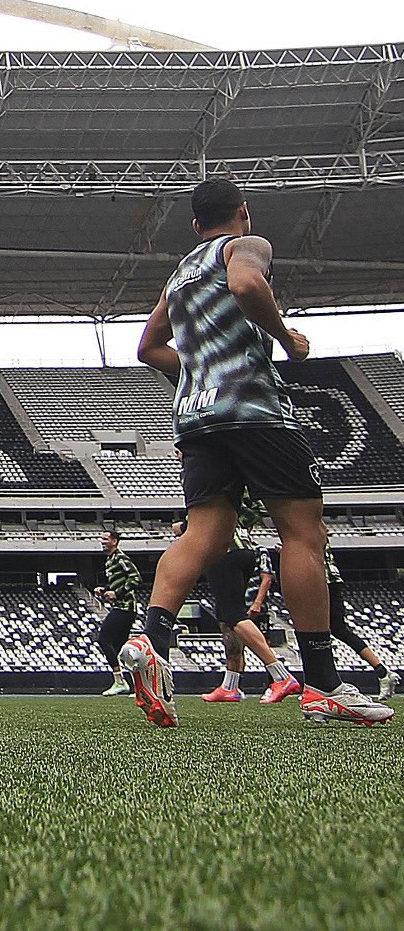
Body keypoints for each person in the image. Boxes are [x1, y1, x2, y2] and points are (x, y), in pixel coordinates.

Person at [125, 177, 391, 727]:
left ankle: (150, 636)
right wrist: (287, 338)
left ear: (195, 224)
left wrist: (199, 370)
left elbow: (148, 347)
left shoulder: (178, 276)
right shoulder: (245, 246)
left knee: (204, 534)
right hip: (254, 412)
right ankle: (322, 683)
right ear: (242, 211)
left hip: (195, 419)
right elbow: (247, 287)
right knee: (303, 533)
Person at [189, 494, 301, 703]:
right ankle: (230, 686)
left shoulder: (205, 474)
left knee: (233, 616)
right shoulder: (235, 488)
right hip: (245, 550)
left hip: (224, 551)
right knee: (226, 619)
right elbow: (258, 506)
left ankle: (281, 675)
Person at [319, 538, 399, 700]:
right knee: (336, 630)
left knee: (322, 630)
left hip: (322, 579)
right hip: (327, 579)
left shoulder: (308, 526)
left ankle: (325, 685)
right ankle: (382, 672)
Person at [93, 530, 140, 697]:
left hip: (125, 607)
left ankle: (120, 681)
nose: (102, 541)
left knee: (104, 640)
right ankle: (139, 687)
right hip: (120, 607)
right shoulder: (110, 560)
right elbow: (118, 581)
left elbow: (136, 578)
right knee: (122, 649)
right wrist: (105, 589)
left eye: (105, 539)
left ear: (114, 541)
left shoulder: (121, 558)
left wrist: (117, 593)